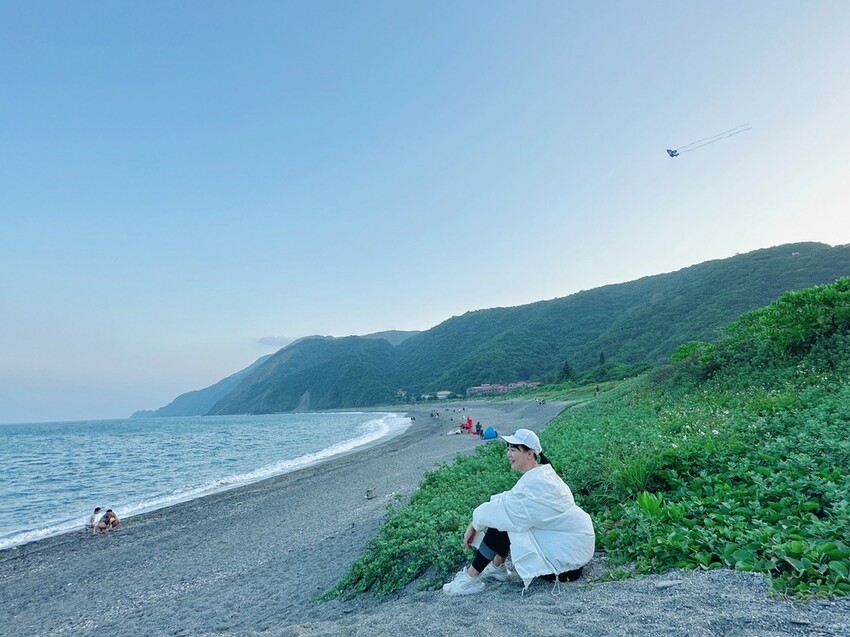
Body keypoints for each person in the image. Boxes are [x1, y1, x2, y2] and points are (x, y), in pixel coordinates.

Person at [442, 429, 595, 596]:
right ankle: (497, 567)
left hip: (562, 569)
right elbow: (509, 500)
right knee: (505, 515)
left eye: (514, 449)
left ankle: (470, 579)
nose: (509, 454)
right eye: (508, 449)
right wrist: (477, 521)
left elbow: (506, 511)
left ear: (530, 454)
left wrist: (474, 524)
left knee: (502, 521)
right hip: (570, 562)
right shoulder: (544, 475)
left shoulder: (537, 483)